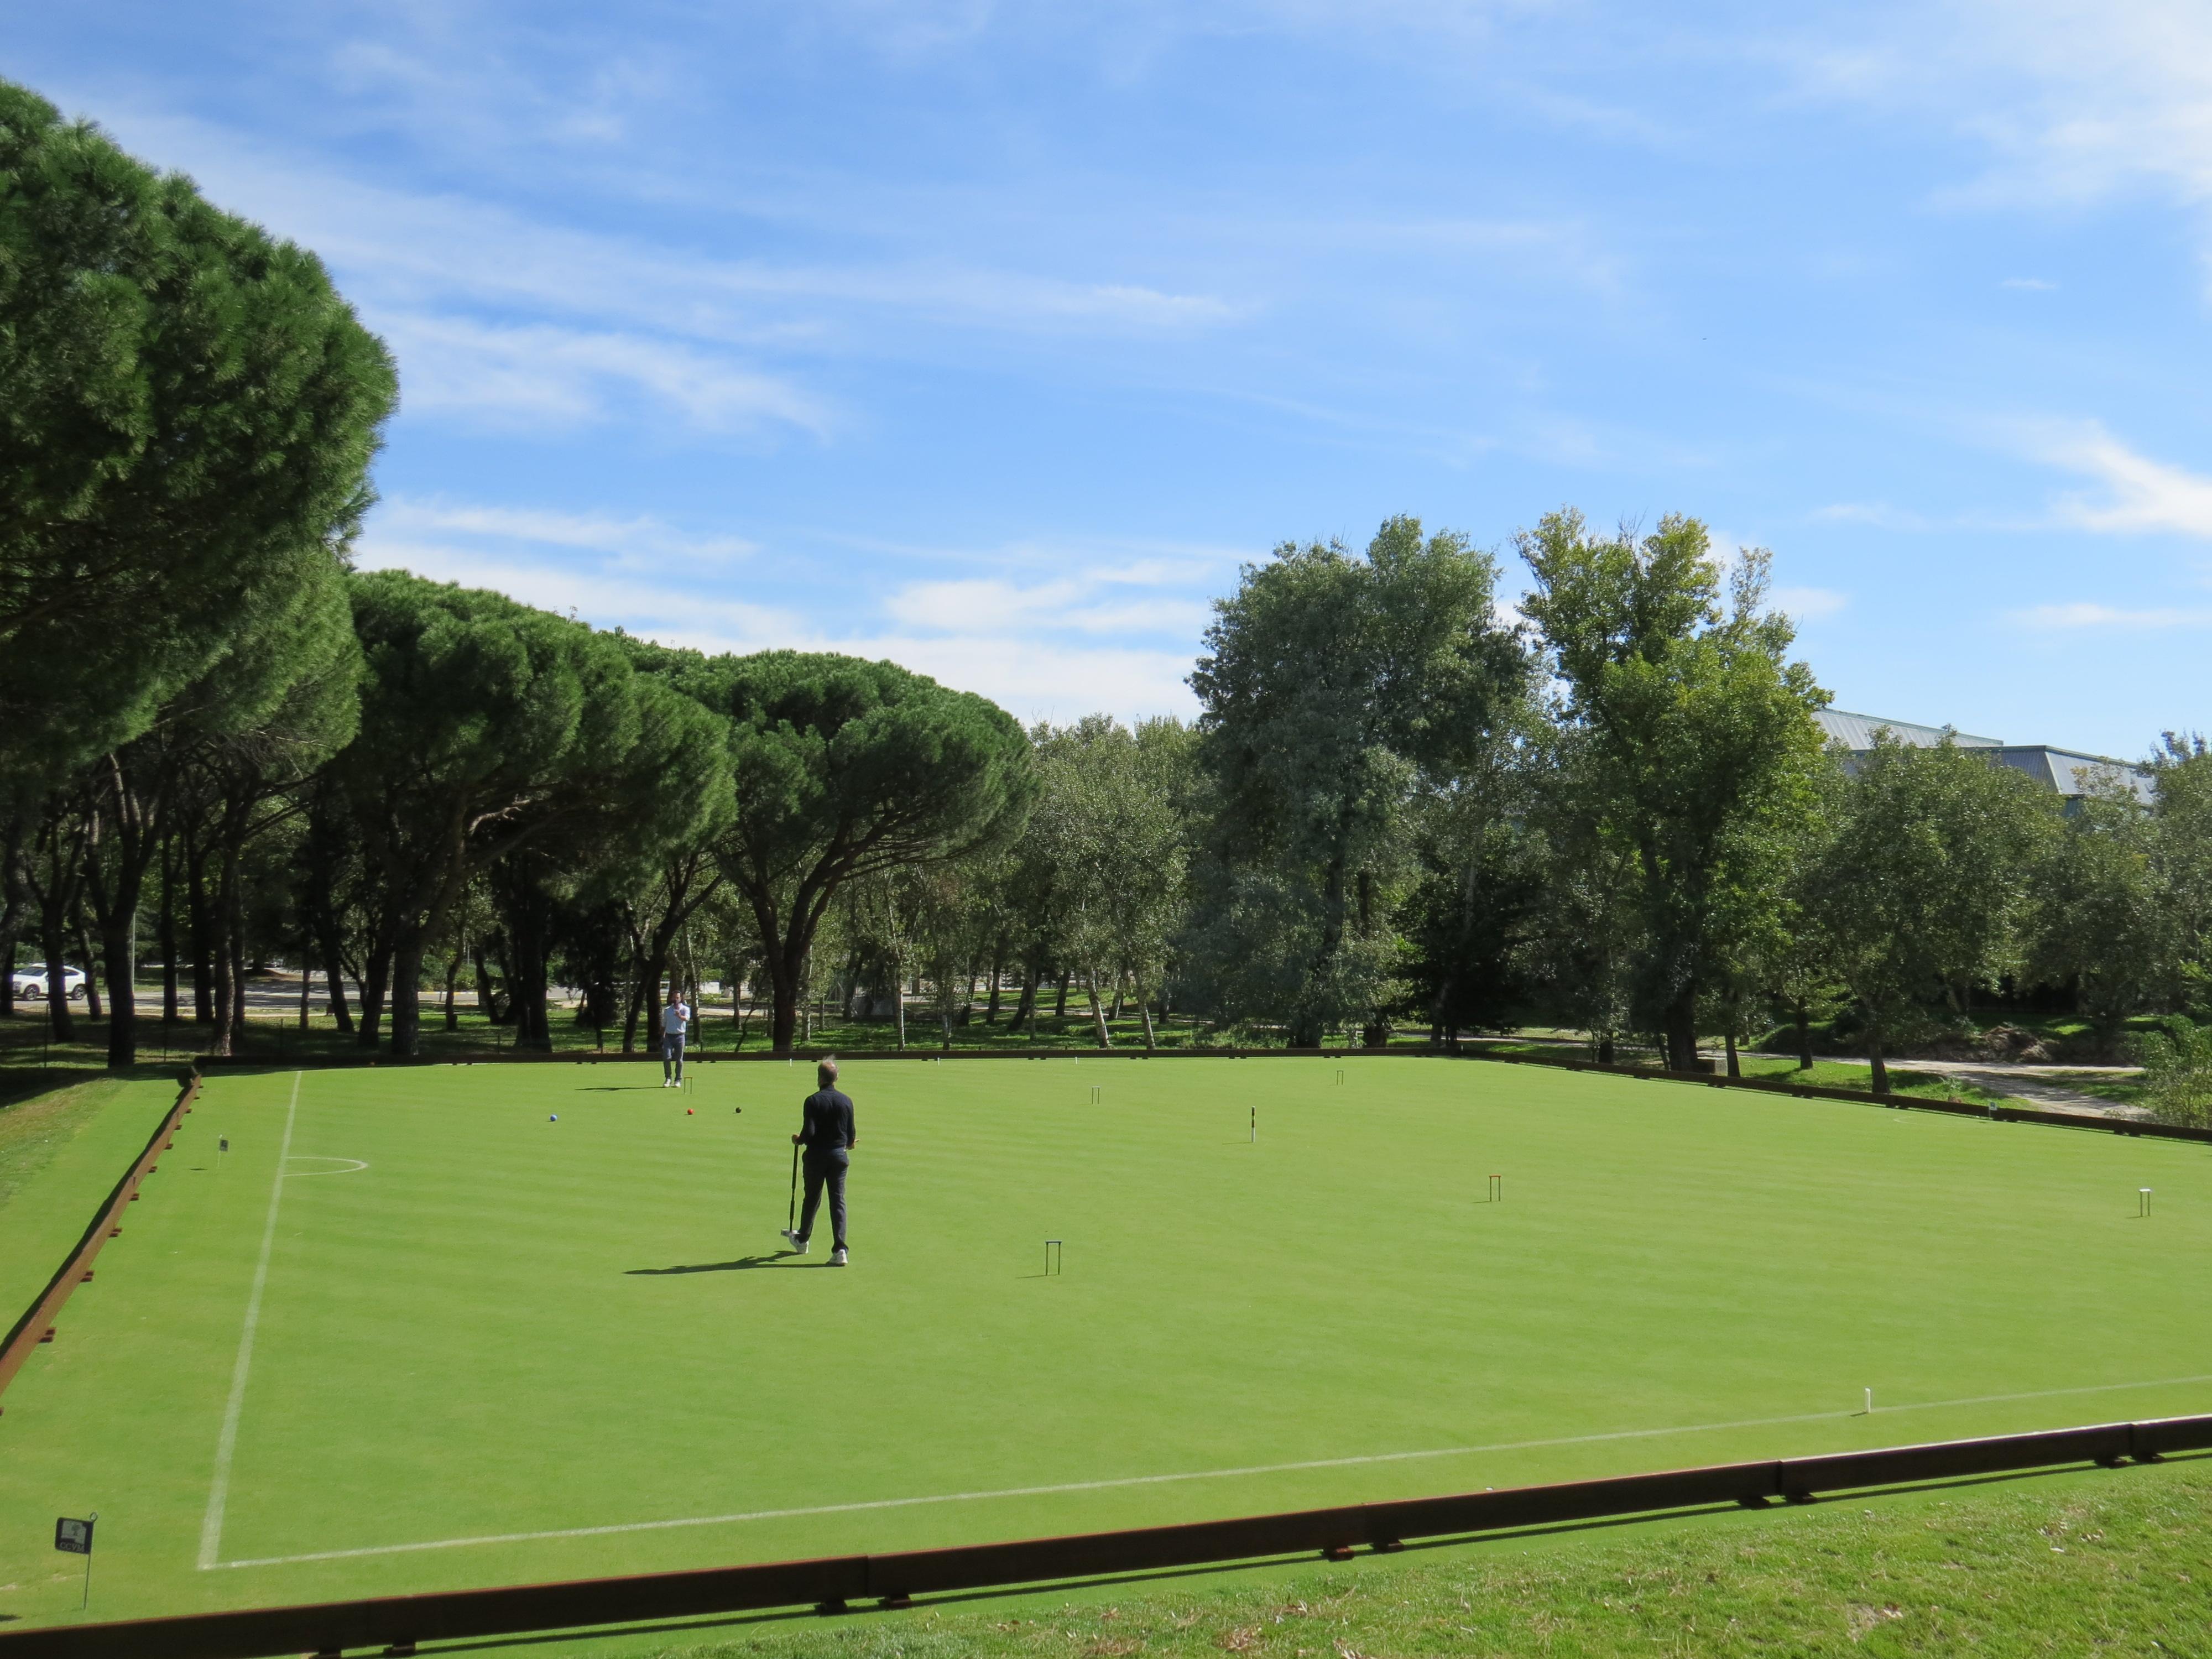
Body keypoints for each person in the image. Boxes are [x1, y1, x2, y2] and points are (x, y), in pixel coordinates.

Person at [782, 1058, 855, 1266]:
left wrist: (798, 1140)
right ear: (837, 1078)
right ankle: (840, 1249)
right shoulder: (846, 1101)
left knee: (812, 1198)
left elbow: (809, 1133)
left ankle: (803, 1239)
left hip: (816, 1157)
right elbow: (851, 1136)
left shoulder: (813, 1101)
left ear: (819, 1078)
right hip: (839, 1157)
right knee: (838, 1200)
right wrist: (850, 1144)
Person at [661, 989, 691, 1088]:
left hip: (680, 1036)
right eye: (674, 997)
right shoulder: (667, 1010)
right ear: (671, 998)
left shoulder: (685, 1009)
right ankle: (668, 1078)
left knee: (679, 1059)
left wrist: (680, 1016)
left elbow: (686, 1019)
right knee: (667, 1057)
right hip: (669, 1037)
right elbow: (664, 1024)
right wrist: (663, 1036)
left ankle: (678, 1079)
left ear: (681, 998)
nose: (675, 999)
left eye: (677, 998)